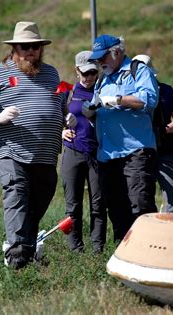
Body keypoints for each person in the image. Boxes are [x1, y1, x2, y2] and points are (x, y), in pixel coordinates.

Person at [0, 21, 67, 269]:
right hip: (12, 150)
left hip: (46, 153)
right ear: (14, 47)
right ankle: (16, 258)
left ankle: (26, 248)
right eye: (25, 46)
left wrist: (69, 117)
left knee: (42, 197)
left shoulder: (52, 73)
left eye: (35, 46)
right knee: (16, 196)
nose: (31, 51)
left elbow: (61, 102)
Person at [85, 35, 159, 242]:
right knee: (115, 208)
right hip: (108, 154)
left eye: (103, 57)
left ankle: (149, 252)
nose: (100, 63)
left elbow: (149, 99)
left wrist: (120, 100)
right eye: (97, 59)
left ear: (116, 52)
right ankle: (124, 255)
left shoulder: (138, 71)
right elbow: (95, 107)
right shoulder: (101, 79)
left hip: (135, 151)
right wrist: (89, 111)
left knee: (140, 205)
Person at [61, 51, 107, 253]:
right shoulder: (66, 92)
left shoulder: (103, 91)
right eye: (85, 73)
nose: (89, 78)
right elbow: (52, 117)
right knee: (73, 205)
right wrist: (61, 132)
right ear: (76, 70)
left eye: (93, 73)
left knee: (98, 204)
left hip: (97, 154)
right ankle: (75, 249)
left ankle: (98, 249)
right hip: (72, 153)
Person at [133, 54, 173, 213]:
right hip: (138, 153)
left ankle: (168, 231)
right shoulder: (130, 94)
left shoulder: (166, 91)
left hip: (163, 150)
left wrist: (163, 130)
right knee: (142, 199)